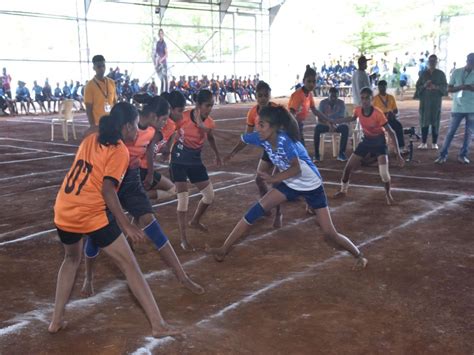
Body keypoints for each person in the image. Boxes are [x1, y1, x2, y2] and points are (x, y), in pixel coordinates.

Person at [49, 102, 179, 338]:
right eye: (134, 126)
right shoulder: (120, 150)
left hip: (64, 209)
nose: (137, 132)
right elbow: (108, 190)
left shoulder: (92, 137)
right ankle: (158, 324)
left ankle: (56, 321)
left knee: (70, 259)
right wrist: (126, 224)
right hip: (90, 213)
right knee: (130, 266)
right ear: (128, 125)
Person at [205, 106, 367, 269]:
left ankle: (359, 255)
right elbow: (241, 138)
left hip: (312, 185)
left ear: (275, 127)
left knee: (329, 233)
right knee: (254, 211)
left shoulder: (286, 142)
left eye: (262, 124)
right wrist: (225, 148)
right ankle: (223, 249)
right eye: (258, 124)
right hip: (290, 183)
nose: (258, 128)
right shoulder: (261, 137)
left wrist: (274, 178)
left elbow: (296, 168)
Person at [81, 96, 204, 297]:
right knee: (96, 232)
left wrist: (144, 167)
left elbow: (147, 149)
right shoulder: (125, 124)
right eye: (164, 119)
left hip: (130, 179)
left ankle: (182, 276)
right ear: (154, 116)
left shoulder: (152, 131)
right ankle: (88, 278)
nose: (166, 123)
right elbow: (90, 134)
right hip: (109, 180)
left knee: (150, 221)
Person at [225, 81, 283, 228]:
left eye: (266, 95)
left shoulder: (277, 109)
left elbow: (288, 127)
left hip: (283, 148)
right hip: (269, 150)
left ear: (270, 95)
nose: (263, 98)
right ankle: (266, 206)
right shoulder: (252, 113)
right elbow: (247, 137)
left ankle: (279, 214)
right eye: (260, 95)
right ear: (256, 96)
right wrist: (233, 152)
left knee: (277, 181)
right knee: (259, 179)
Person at [170, 89, 222, 251]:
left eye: (212, 106)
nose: (210, 109)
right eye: (207, 105)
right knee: (183, 199)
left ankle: (195, 221)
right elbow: (170, 131)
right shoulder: (183, 117)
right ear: (198, 105)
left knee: (209, 196)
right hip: (178, 159)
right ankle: (183, 239)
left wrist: (217, 154)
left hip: (194, 160)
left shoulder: (210, 123)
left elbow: (210, 136)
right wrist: (165, 149)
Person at [333, 87, 405, 205]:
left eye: (367, 98)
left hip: (380, 143)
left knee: (384, 174)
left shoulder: (378, 113)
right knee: (348, 167)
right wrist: (336, 120)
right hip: (366, 141)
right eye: (362, 98)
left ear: (371, 99)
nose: (364, 100)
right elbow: (351, 118)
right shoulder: (358, 110)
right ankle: (343, 190)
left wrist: (398, 154)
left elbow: (391, 132)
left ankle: (388, 194)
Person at [435, 53, 474, 164]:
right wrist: (460, 87)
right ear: (467, 60)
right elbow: (449, 89)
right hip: (457, 107)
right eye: (471, 61)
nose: (472, 64)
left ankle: (463, 155)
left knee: (469, 133)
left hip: (472, 108)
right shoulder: (457, 72)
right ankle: (443, 155)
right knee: (451, 132)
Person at [288, 65, 331, 147]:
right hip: (292, 124)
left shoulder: (309, 94)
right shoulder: (298, 95)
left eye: (314, 82)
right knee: (300, 148)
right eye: (309, 81)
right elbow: (291, 113)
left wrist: (327, 119)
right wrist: (293, 128)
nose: (311, 84)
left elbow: (314, 110)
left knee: (299, 149)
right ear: (304, 81)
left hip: (298, 124)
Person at [414, 54, 447, 149]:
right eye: (430, 61)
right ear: (428, 62)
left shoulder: (441, 74)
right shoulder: (423, 74)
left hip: (436, 102)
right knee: (424, 121)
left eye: (434, 61)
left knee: (435, 121)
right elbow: (418, 86)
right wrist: (424, 85)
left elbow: (445, 87)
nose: (432, 63)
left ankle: (434, 143)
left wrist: (435, 87)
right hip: (425, 102)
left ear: (436, 62)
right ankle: (423, 142)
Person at [314, 87, 349, 162]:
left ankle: (341, 153)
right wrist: (329, 124)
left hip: (337, 125)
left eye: (335, 96)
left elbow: (341, 117)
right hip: (325, 124)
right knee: (317, 128)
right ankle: (316, 155)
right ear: (328, 95)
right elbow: (320, 118)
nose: (333, 98)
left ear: (338, 96)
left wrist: (334, 124)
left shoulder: (341, 103)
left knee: (345, 128)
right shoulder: (322, 103)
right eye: (331, 96)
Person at [373, 80, 407, 154]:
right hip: (379, 120)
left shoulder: (391, 97)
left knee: (398, 126)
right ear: (378, 88)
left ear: (386, 87)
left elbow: (396, 110)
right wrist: (383, 114)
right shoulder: (375, 99)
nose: (382, 88)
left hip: (390, 118)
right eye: (380, 87)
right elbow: (373, 111)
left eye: (383, 86)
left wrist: (392, 113)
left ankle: (400, 147)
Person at [84, 55, 117, 127]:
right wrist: (92, 125)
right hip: (98, 124)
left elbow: (114, 102)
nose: (102, 69)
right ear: (94, 68)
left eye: (103, 66)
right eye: (99, 67)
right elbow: (88, 108)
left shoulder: (112, 83)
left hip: (112, 122)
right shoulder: (89, 86)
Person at [154, 29, 168, 94]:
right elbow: (156, 53)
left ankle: (167, 92)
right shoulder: (157, 43)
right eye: (159, 33)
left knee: (165, 78)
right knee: (161, 79)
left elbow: (166, 54)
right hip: (159, 64)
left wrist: (161, 60)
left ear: (163, 34)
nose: (160, 35)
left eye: (161, 33)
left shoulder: (164, 43)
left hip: (163, 63)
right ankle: (162, 93)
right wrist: (157, 61)